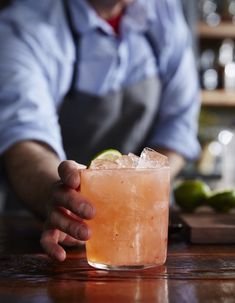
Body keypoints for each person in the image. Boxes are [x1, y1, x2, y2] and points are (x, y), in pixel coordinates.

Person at [0, 0, 201, 261]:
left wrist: (138, 191)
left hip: (145, 235)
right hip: (37, 241)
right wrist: (65, 201)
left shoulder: (164, 11)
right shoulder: (23, 25)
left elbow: (179, 125)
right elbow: (25, 140)